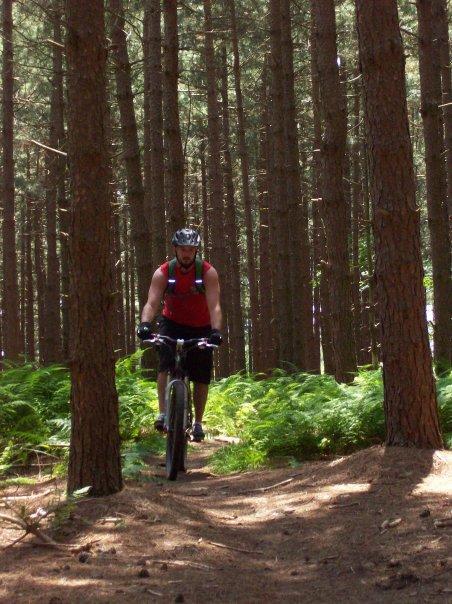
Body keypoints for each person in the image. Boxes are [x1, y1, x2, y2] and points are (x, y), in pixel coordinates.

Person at [136, 228, 222, 442]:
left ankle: (198, 423)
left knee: (201, 374)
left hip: (201, 326)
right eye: (183, 249)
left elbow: (215, 306)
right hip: (172, 323)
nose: (187, 253)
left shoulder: (207, 273)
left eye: (191, 250)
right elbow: (152, 302)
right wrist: (145, 324)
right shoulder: (164, 272)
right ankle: (163, 412)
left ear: (196, 251)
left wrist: (216, 331)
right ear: (175, 249)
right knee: (165, 364)